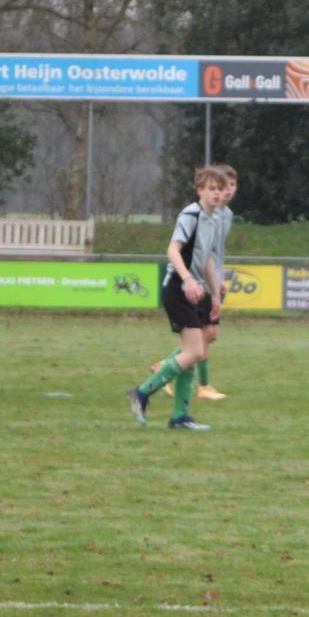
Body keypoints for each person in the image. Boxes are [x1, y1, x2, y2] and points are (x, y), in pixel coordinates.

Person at [126, 166, 229, 431]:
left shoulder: (214, 218)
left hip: (195, 290)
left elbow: (207, 259)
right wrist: (187, 279)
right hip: (177, 288)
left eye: (220, 189)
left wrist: (215, 295)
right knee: (195, 352)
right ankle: (142, 393)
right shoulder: (190, 215)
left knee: (191, 353)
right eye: (212, 189)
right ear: (200, 190)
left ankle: (180, 416)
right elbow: (172, 250)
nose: (217, 193)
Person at [153, 163, 236, 401]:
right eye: (219, 187)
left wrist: (219, 279)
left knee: (208, 334)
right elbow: (180, 249)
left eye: (231, 185)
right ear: (202, 190)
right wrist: (192, 279)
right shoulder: (197, 214)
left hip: (207, 282)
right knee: (202, 337)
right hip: (193, 283)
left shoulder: (224, 215)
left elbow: (214, 252)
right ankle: (195, 383)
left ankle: (174, 376)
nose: (226, 191)